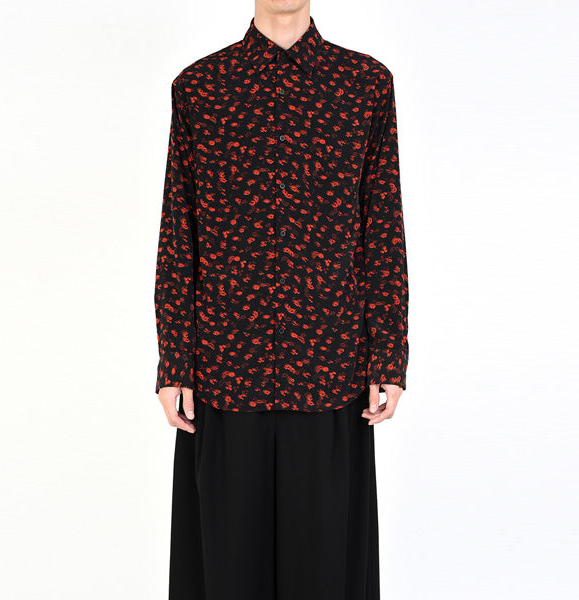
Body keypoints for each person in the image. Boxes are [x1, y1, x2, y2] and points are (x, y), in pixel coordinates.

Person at [154, 2, 409, 599]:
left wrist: (389, 354)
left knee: (325, 577)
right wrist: (174, 362)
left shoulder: (365, 85)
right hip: (225, 373)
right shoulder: (200, 88)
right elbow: (178, 233)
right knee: (225, 576)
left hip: (331, 374)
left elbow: (382, 226)